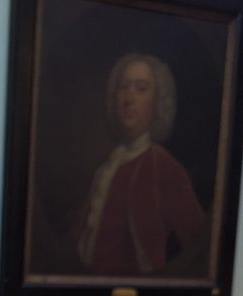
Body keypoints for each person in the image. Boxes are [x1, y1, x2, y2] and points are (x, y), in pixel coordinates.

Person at [76, 53, 207, 276]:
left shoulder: (164, 167)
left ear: (157, 102)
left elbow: (200, 244)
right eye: (123, 87)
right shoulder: (107, 168)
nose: (129, 98)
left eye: (141, 88)